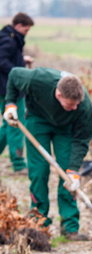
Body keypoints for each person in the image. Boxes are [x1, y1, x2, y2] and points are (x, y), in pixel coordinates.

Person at [3, 67, 92, 240]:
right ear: (58, 95)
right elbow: (14, 75)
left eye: (77, 104)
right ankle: (38, 223)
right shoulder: (38, 80)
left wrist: (74, 171)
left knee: (68, 177)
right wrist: (10, 104)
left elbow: (82, 139)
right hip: (38, 121)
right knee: (39, 172)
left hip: (66, 129)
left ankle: (70, 226)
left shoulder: (83, 106)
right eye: (70, 104)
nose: (75, 107)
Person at [0, 12, 34, 173]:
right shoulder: (10, 40)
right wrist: (19, 72)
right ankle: (19, 164)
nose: (26, 33)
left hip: (5, 88)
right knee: (16, 125)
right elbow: (1, 60)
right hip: (9, 90)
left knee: (8, 124)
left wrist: (22, 59)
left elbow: (8, 57)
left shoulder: (8, 37)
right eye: (26, 30)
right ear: (19, 26)